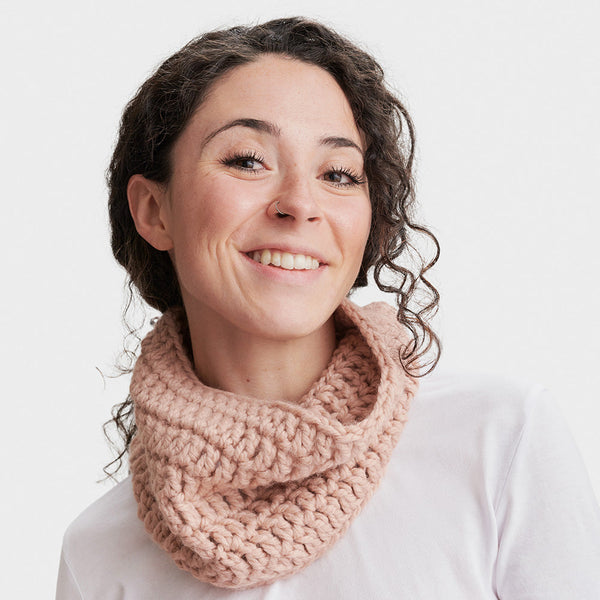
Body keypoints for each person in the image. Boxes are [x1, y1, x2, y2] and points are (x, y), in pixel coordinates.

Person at [56, 17, 600, 599]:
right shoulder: (99, 555)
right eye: (247, 160)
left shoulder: (500, 443)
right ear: (153, 210)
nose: (299, 203)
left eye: (338, 174)